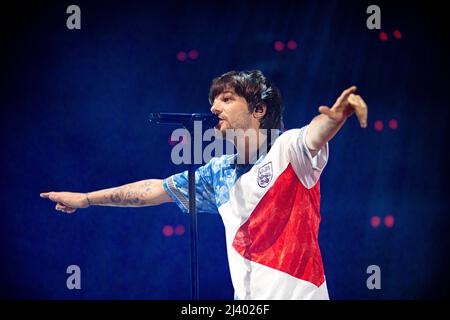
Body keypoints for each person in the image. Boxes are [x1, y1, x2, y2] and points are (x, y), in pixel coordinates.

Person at [40, 70, 368, 300]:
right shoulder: (218, 173)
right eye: (213, 100)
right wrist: (85, 199)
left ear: (259, 109)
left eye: (226, 99)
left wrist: (336, 117)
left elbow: (315, 132)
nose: (214, 108)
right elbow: (153, 190)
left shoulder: (289, 149)